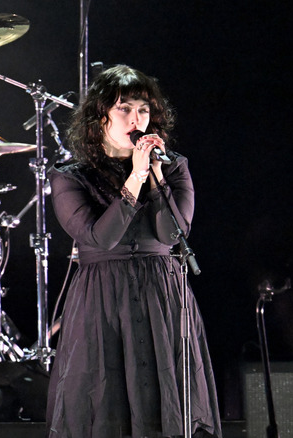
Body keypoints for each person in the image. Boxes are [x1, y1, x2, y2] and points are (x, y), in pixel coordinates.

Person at [46, 65, 221, 437]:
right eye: (124, 108)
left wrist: (155, 177)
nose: (136, 118)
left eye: (143, 110)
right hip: (103, 296)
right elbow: (100, 237)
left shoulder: (173, 168)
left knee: (169, 402)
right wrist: (136, 177)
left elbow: (171, 233)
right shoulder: (70, 176)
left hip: (162, 292)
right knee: (105, 402)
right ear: (100, 117)